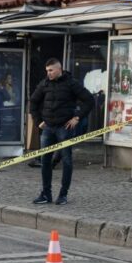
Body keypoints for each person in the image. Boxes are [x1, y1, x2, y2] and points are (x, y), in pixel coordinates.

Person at [30, 58, 94, 205]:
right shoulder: (44, 83)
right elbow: (33, 101)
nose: (49, 73)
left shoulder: (71, 83)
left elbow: (89, 100)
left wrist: (77, 118)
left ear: (59, 69)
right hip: (48, 128)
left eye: (51, 70)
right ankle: (46, 194)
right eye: (47, 71)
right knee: (45, 161)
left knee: (66, 161)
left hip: (64, 128)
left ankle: (63, 195)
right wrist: (38, 121)